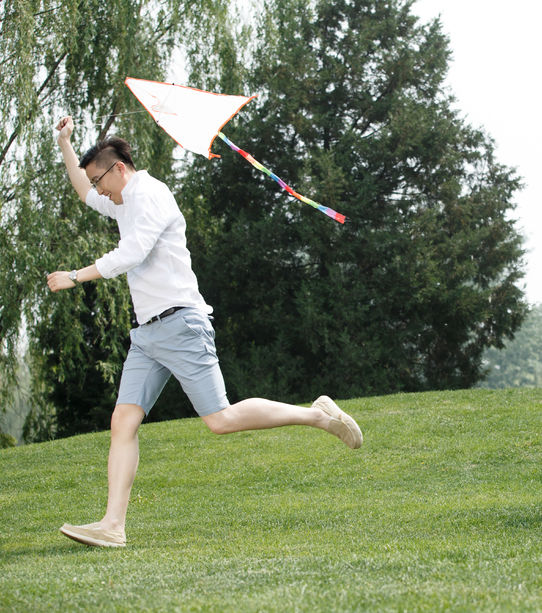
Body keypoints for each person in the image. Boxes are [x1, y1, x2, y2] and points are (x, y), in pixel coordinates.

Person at [47, 117, 363, 548]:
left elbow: (131, 253)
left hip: (181, 322)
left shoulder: (151, 194)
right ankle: (112, 526)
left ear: (119, 167)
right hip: (147, 334)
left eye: (100, 179)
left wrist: (74, 275)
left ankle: (317, 415)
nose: (98, 190)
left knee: (220, 419)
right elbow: (84, 194)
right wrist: (65, 143)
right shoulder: (121, 199)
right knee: (123, 421)